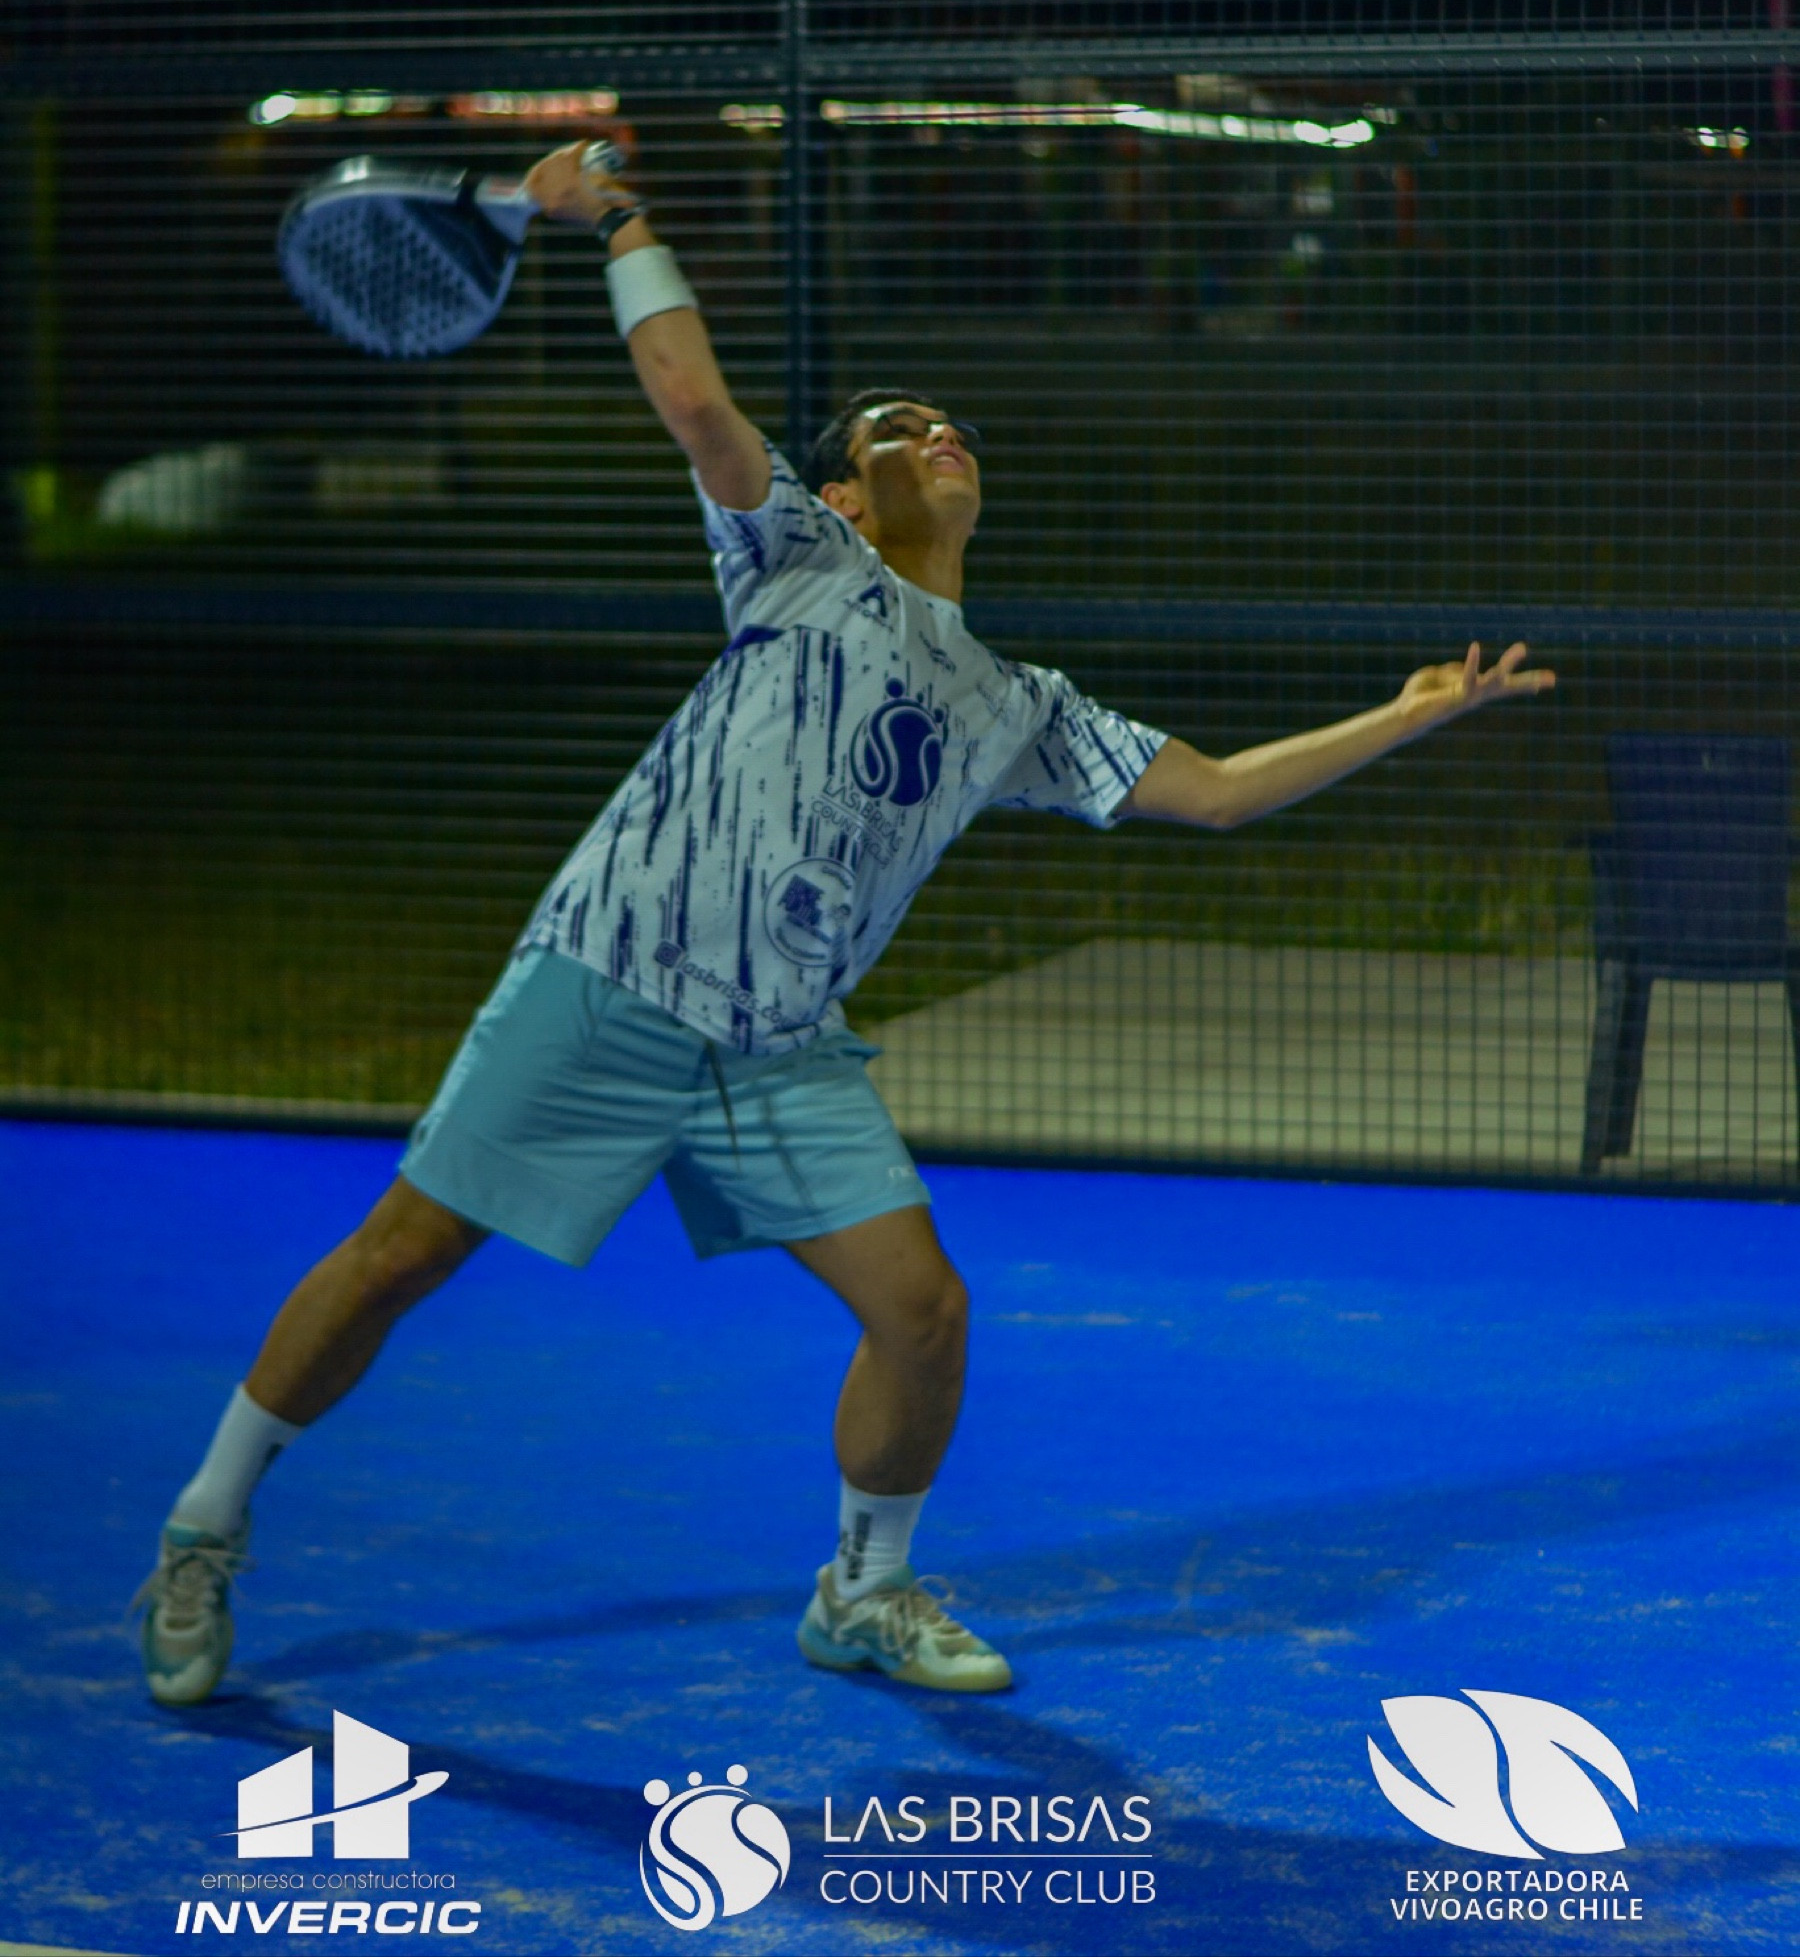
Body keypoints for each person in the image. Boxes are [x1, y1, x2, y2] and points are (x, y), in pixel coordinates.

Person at [136, 140, 1554, 1707]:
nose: (938, 434)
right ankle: (205, 1523)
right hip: (611, 975)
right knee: (401, 1256)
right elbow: (692, 400)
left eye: (952, 427)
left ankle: (862, 1590)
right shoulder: (794, 558)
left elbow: (1215, 792)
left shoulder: (1016, 700)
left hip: (780, 1045)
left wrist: (1409, 715)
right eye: (896, 426)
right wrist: (618, 215)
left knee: (923, 1309)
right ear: (838, 492)